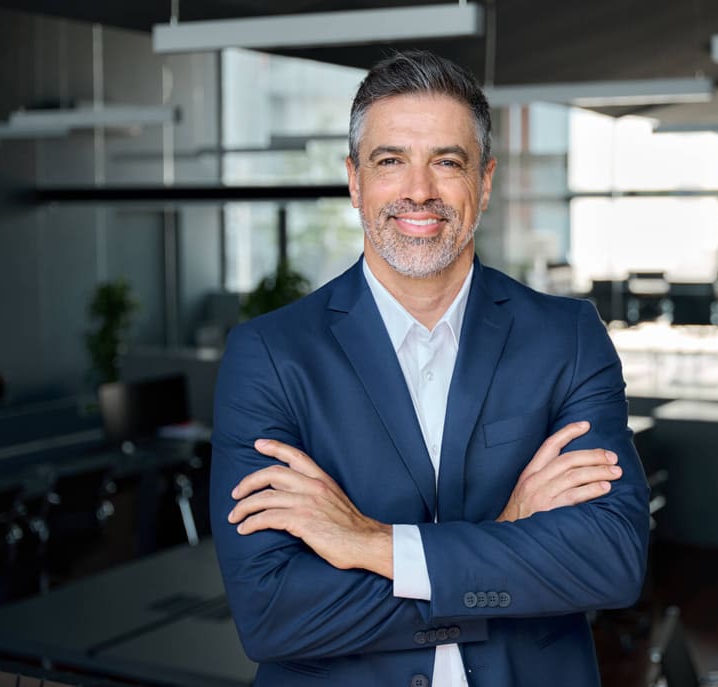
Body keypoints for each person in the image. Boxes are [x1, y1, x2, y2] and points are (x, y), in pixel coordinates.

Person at [210, 49, 649, 687]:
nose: (419, 190)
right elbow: (273, 614)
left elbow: (609, 562)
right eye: (391, 161)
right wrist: (506, 537)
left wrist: (371, 544)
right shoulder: (271, 356)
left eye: (447, 161)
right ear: (355, 180)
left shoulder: (567, 338)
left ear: (486, 182)